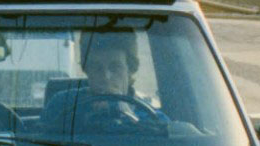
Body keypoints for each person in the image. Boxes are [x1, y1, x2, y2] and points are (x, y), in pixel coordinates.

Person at [37, 30, 167, 134]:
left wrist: (127, 114)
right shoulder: (62, 106)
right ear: (86, 70)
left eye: (115, 67)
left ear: (130, 70)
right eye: (97, 68)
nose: (106, 76)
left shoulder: (153, 118)